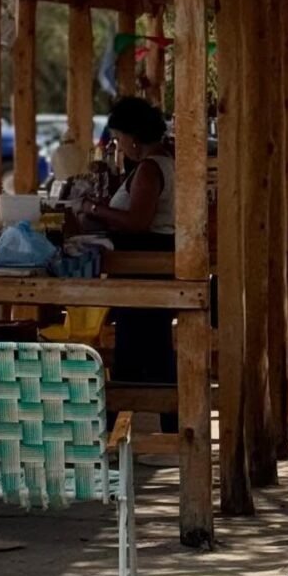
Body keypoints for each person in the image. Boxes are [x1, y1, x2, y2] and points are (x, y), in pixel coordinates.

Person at [76, 95, 177, 433]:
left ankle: (115, 431)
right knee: (151, 351)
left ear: (134, 138)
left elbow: (137, 221)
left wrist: (93, 209)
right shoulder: (160, 164)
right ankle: (165, 428)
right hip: (149, 266)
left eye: (119, 139)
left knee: (139, 351)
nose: (118, 146)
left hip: (145, 266)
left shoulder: (150, 169)